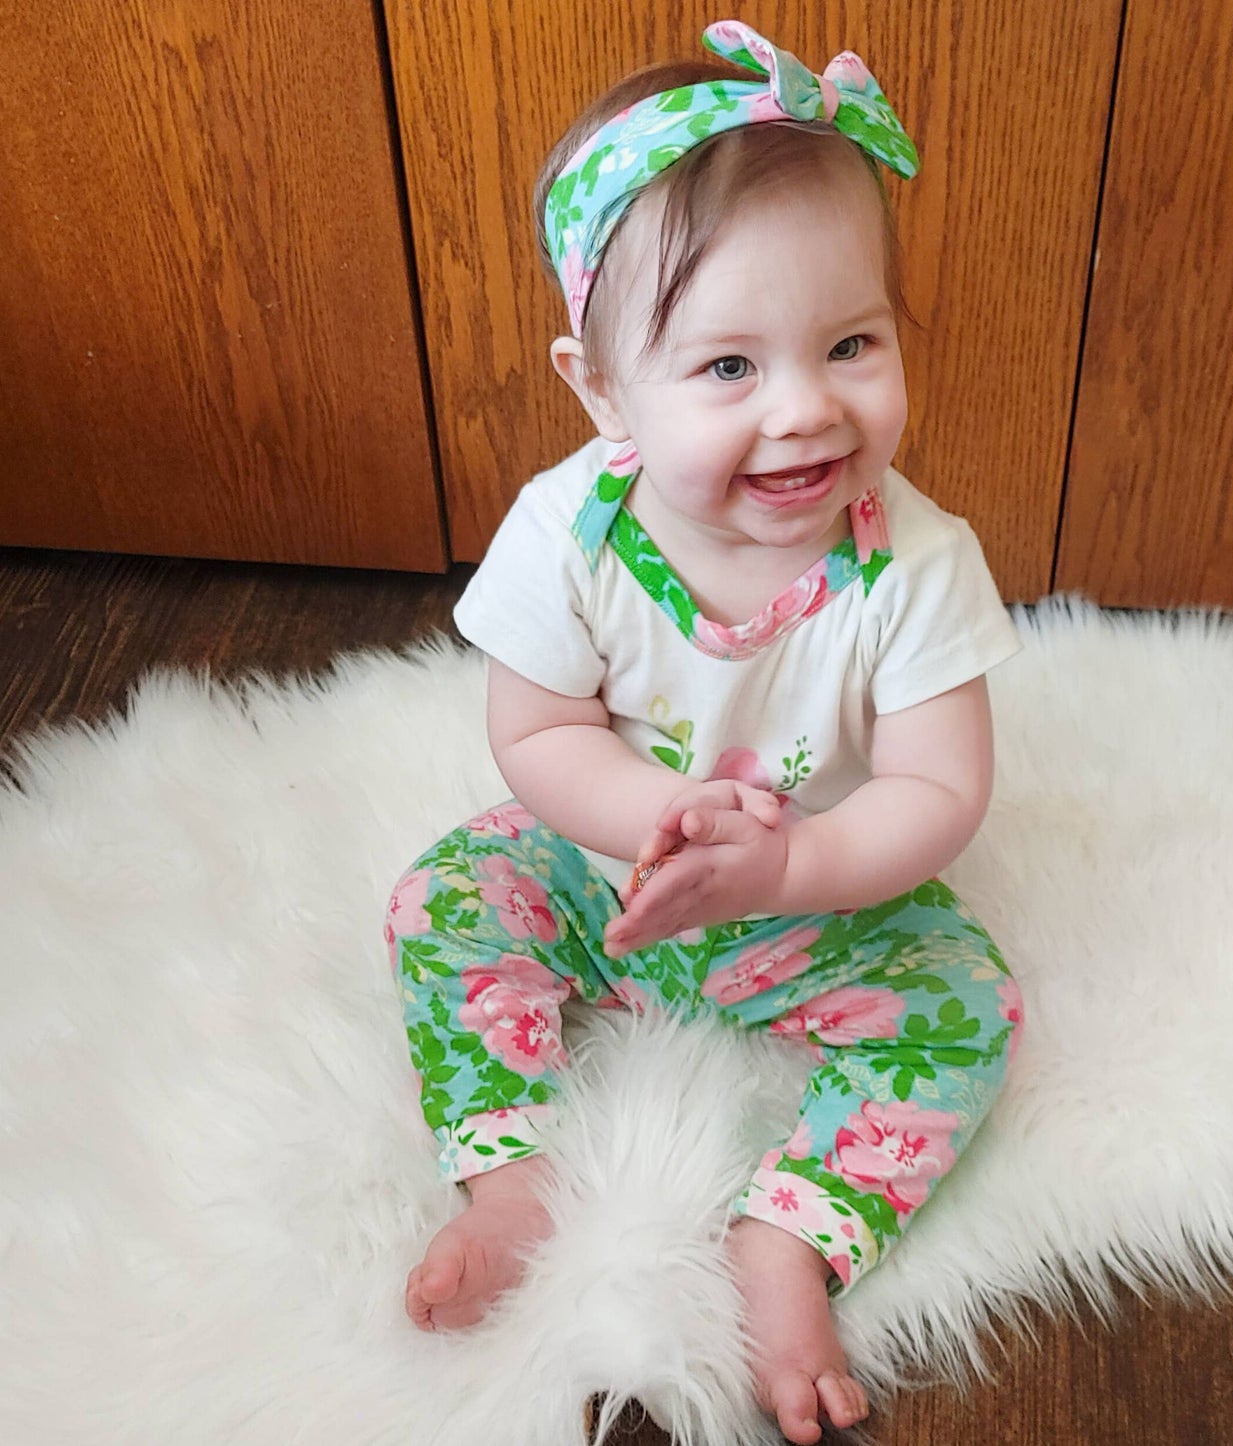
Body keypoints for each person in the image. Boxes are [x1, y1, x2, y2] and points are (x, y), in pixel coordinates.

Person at [385, 20, 1024, 1444]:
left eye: (849, 343)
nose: (804, 408)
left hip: (818, 891)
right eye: (726, 366)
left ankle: (790, 1233)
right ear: (603, 390)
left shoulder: (911, 560)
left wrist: (787, 869)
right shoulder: (570, 528)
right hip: (608, 869)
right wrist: (647, 823)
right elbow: (538, 727)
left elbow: (936, 782)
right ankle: (512, 1181)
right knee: (443, 899)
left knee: (968, 1002)